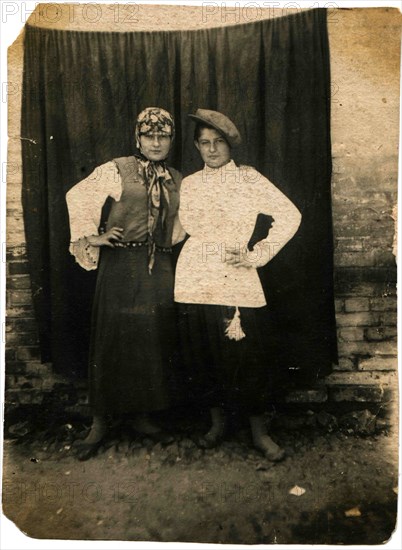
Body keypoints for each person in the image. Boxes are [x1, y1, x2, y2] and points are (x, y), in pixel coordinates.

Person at [175, 109, 302, 461]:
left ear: (230, 145)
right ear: (197, 147)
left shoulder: (249, 179)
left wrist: (258, 253)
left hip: (235, 274)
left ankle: (259, 433)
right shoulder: (189, 183)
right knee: (202, 353)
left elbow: (290, 215)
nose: (212, 150)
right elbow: (180, 230)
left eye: (218, 143)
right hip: (195, 274)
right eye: (204, 143)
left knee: (248, 358)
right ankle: (216, 425)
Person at [66, 107, 185, 460]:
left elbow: (183, 221)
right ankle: (99, 423)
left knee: (151, 341)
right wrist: (93, 237)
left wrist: (167, 241)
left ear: (171, 139)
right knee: (113, 339)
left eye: (163, 136)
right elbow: (78, 196)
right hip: (121, 264)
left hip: (159, 266)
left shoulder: (177, 177)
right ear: (138, 138)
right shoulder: (117, 169)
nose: (156, 142)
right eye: (149, 135)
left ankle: (143, 417)